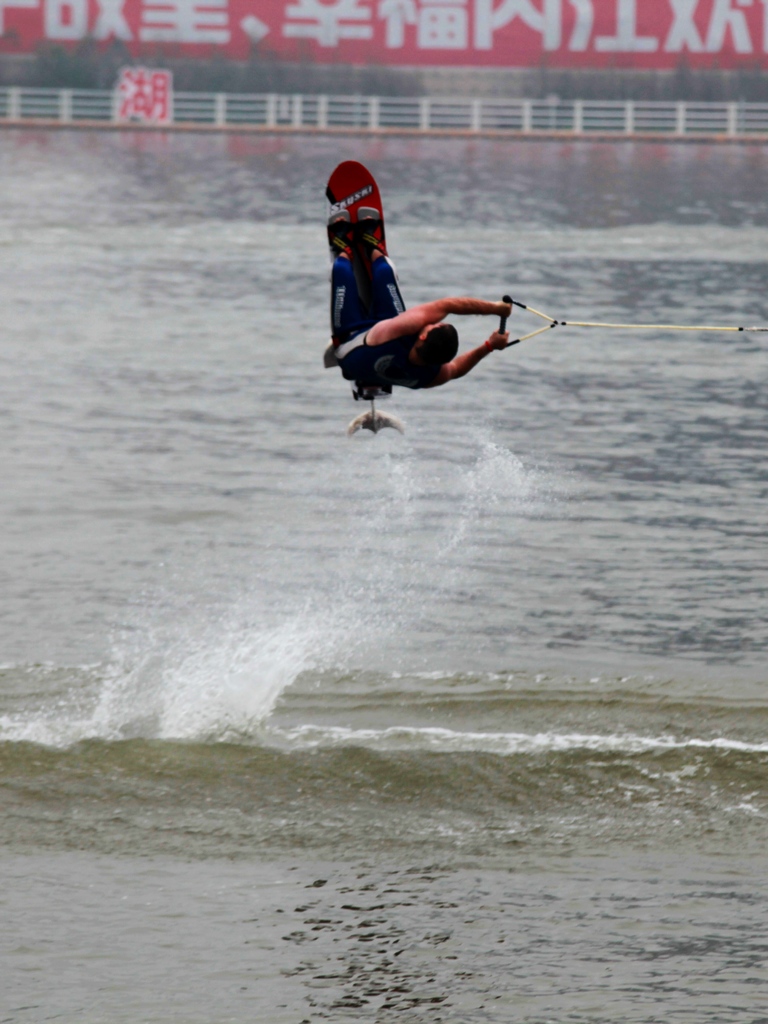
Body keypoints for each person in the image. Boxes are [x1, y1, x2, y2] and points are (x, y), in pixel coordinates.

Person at [328, 208, 512, 391]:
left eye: (434, 325)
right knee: (383, 276)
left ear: (423, 335)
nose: (431, 323)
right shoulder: (431, 377)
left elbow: (447, 305)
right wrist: (489, 346)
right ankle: (371, 245)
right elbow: (456, 369)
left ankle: (345, 247)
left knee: (345, 271)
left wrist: (496, 308)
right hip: (371, 361)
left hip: (351, 341)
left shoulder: (397, 329)